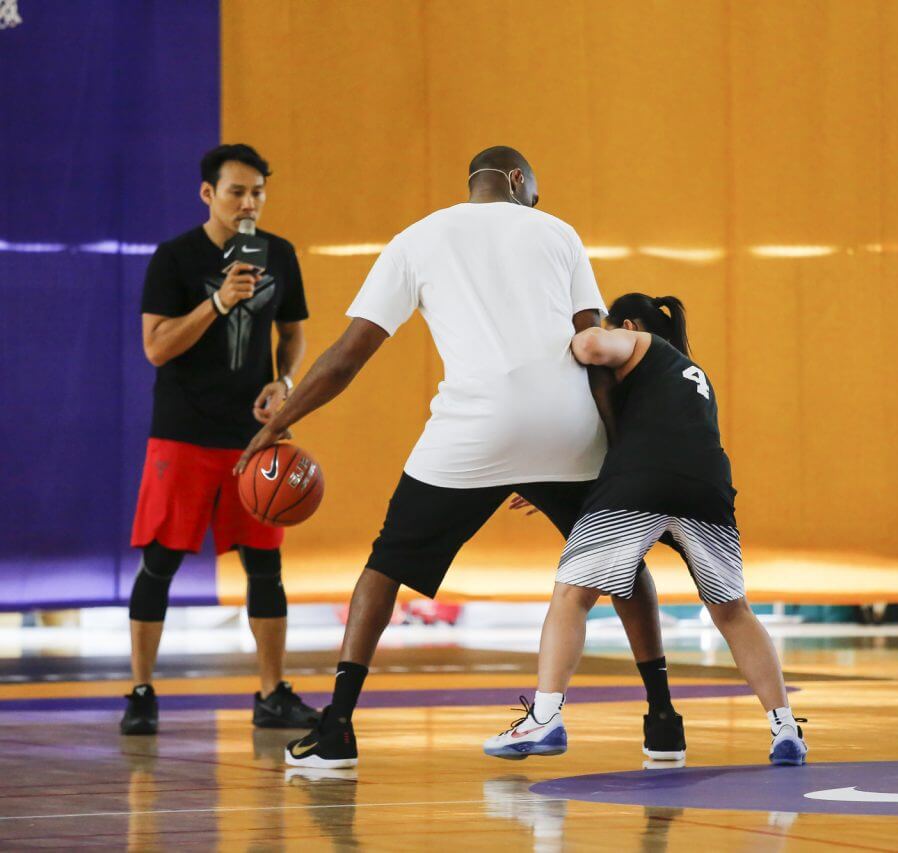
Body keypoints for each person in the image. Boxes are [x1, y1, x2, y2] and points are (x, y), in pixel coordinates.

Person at [236, 146, 681, 769]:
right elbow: (596, 351)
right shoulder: (558, 233)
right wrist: (614, 454)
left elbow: (345, 357)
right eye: (534, 195)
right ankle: (663, 722)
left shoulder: (416, 240)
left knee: (385, 566)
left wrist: (277, 425)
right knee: (621, 563)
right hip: (567, 425)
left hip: (475, 430)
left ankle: (336, 730)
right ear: (519, 181)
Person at [482, 294, 809, 766]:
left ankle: (545, 717)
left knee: (572, 596)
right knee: (734, 612)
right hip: (708, 487)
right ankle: (785, 728)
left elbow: (591, 345)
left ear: (629, 325)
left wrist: (566, 332)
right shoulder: (692, 374)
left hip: (641, 482)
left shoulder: (639, 342)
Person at [122, 143, 319, 735]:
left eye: (258, 192)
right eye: (237, 192)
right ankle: (141, 691)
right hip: (182, 431)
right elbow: (156, 347)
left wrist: (284, 382)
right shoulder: (175, 258)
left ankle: (272, 693)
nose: (249, 203)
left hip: (253, 436)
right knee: (160, 560)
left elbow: (294, 333)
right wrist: (218, 299)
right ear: (208, 193)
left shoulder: (278, 253)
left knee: (265, 565)